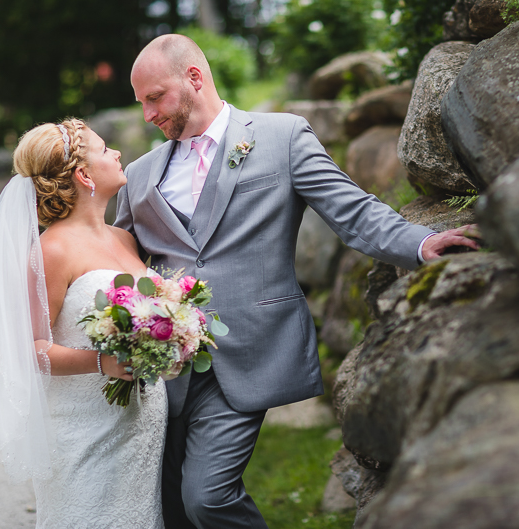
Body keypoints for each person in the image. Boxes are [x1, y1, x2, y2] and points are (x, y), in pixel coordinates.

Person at [117, 34, 480, 529]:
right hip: (162, 368)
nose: (147, 115)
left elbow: (352, 210)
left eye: (154, 98)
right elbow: (113, 256)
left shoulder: (282, 136)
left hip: (249, 347)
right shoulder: (140, 175)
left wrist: (420, 244)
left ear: (194, 79)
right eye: (141, 104)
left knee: (208, 498)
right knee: (170, 507)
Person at [0, 118, 168, 528]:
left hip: (143, 421)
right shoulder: (52, 251)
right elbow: (30, 349)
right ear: (84, 175)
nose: (116, 153)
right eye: (104, 149)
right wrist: (102, 363)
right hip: (85, 429)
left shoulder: (125, 239)